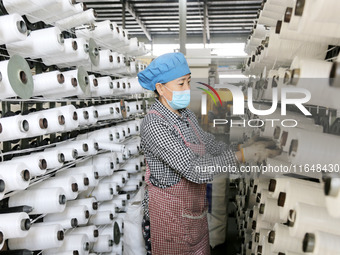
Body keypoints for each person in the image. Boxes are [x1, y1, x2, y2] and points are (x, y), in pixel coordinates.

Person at [137, 52, 280, 255]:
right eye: (180, 84)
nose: (187, 89)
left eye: (189, 81)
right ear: (160, 88)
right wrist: (243, 155)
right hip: (169, 221)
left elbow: (211, 145)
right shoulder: (154, 124)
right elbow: (194, 169)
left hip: (194, 217)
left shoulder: (186, 116)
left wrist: (244, 146)